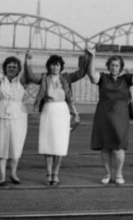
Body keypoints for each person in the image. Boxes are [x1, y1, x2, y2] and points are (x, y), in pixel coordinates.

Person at [25, 50, 88, 186]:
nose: (55, 67)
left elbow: (81, 73)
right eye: (53, 65)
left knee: (59, 145)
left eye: (57, 65)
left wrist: (87, 57)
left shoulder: (66, 78)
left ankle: (56, 173)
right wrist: (28, 60)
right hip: (48, 110)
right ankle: (48, 173)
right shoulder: (44, 78)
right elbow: (30, 76)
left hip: (62, 111)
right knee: (48, 144)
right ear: (49, 66)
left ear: (61, 67)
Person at [87, 47, 133, 185]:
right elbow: (91, 75)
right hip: (104, 115)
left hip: (120, 116)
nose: (114, 68)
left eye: (117, 65)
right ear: (108, 66)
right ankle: (107, 173)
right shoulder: (103, 78)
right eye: (112, 65)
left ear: (121, 67)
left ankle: (118, 174)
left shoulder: (125, 79)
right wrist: (92, 56)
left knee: (118, 147)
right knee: (105, 147)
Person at [0, 48, 31, 186]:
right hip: (0, 116)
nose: (11, 69)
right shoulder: (0, 80)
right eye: (9, 66)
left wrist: (27, 58)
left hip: (18, 117)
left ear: (18, 69)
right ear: (5, 68)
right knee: (1, 146)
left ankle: (14, 174)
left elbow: (27, 72)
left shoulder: (22, 81)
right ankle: (2, 176)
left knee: (16, 146)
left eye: (14, 67)